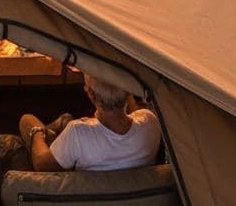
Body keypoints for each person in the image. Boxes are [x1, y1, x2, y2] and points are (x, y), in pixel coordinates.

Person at [19, 74, 160, 172]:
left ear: (91, 94)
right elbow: (134, 113)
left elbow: (41, 164)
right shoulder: (150, 122)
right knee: (65, 120)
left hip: (83, 196)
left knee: (27, 120)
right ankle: (57, 130)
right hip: (132, 198)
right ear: (129, 89)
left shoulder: (78, 133)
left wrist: (37, 132)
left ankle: (48, 133)